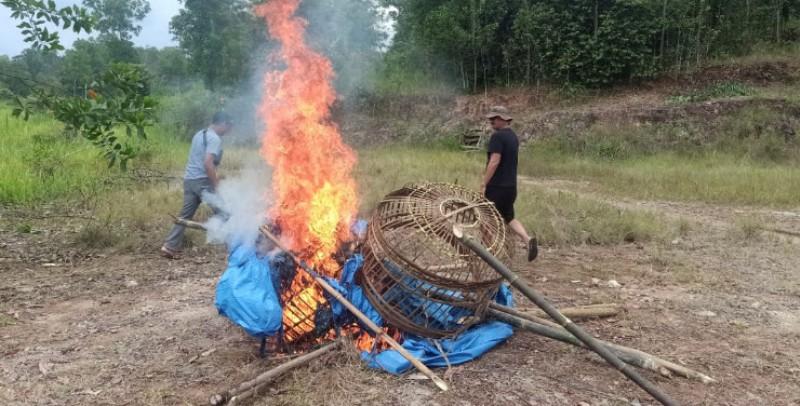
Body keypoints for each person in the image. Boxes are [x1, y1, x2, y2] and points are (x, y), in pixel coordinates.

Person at [161, 112, 234, 259]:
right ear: (222, 123)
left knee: (184, 216)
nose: (228, 131)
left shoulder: (199, 134)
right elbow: (208, 163)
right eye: (228, 127)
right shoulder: (214, 139)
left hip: (189, 180)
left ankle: (170, 246)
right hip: (202, 182)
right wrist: (216, 185)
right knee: (224, 213)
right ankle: (232, 246)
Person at [481, 106, 538, 262]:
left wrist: (484, 183)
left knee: (485, 218)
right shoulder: (513, 136)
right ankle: (527, 240)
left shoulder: (497, 137)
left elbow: (494, 161)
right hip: (510, 187)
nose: (491, 121)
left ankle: (487, 254)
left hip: (496, 187)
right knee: (508, 217)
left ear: (502, 119)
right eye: (490, 118)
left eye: (494, 118)